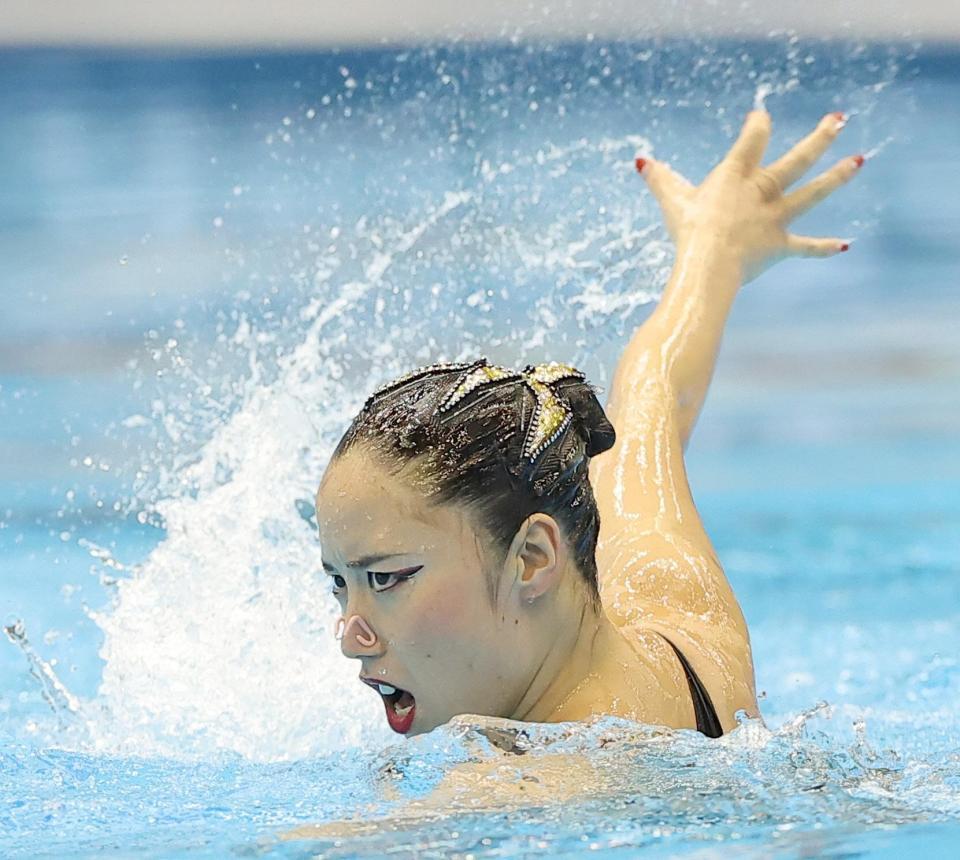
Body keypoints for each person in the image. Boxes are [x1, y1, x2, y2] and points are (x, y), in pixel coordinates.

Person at [314, 109, 862, 740]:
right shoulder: (675, 602)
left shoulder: (548, 783)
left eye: (386, 579)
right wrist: (715, 246)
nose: (351, 639)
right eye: (340, 584)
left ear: (534, 558)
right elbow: (656, 387)